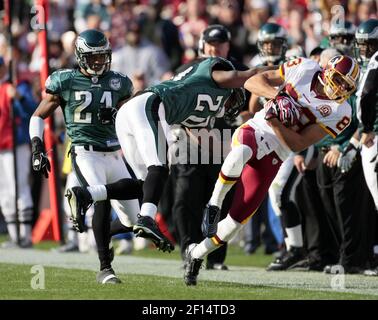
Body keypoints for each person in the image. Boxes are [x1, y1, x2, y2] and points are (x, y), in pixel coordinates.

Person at [66, 54, 275, 257]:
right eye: (234, 98)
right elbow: (253, 72)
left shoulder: (199, 106)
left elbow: (208, 144)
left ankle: (88, 195)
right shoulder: (216, 76)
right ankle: (147, 220)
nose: (232, 105)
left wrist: (244, 152)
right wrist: (286, 70)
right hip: (150, 107)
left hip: (135, 110)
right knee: (159, 169)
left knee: (145, 184)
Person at [184, 54, 360, 285]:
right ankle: (214, 204)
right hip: (258, 128)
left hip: (278, 151)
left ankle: (196, 254)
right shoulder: (305, 68)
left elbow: (297, 143)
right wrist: (278, 97)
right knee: (239, 154)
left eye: (346, 86)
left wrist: (277, 119)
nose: (340, 88)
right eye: (338, 80)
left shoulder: (342, 112)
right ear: (327, 71)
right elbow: (251, 81)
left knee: (235, 224)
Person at [29, 29, 142, 284]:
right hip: (85, 152)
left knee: (136, 221)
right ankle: (105, 268)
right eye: (93, 58)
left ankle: (97, 233)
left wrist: (115, 116)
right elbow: (38, 115)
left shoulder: (119, 82)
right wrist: (37, 148)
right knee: (101, 198)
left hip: (114, 153)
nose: (99, 62)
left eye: (103, 56)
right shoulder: (65, 80)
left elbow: (130, 119)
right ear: (80, 57)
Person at [0, 57, 38, 248]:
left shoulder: (18, 85)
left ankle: (26, 235)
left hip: (16, 144)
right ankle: (14, 236)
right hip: (1, 146)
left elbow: (34, 110)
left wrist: (18, 97)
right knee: (4, 191)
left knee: (19, 186)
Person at [354, 19, 378, 276]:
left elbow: (367, 92)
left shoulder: (376, 61)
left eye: (369, 44)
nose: (365, 49)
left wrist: (368, 128)